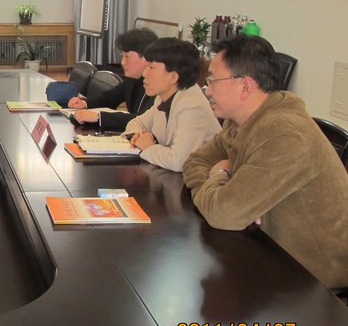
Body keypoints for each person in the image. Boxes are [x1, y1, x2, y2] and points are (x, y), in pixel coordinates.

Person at [183, 35, 348, 290]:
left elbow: (222, 214)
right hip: (264, 247)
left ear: (245, 86)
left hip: (311, 275)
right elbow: (194, 162)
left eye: (212, 80)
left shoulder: (284, 133)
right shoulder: (239, 121)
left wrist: (220, 175)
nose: (208, 90)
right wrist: (228, 189)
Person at [124, 38, 221, 172]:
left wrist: (149, 147)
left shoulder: (192, 105)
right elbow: (136, 123)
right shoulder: (162, 98)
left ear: (173, 77)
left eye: (151, 67)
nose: (144, 74)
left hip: (203, 180)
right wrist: (139, 137)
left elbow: (178, 162)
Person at [70, 28, 158, 131]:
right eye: (122, 56)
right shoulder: (132, 80)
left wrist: (99, 117)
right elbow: (110, 97)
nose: (123, 62)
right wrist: (84, 103)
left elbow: (142, 120)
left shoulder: (159, 86)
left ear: (146, 58)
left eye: (127, 56)